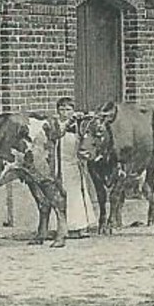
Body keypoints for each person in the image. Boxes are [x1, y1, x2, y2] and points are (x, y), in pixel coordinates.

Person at [55, 97, 98, 238]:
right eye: (62, 109)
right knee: (61, 194)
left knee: (77, 194)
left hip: (73, 163)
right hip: (59, 164)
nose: (65, 112)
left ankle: (80, 226)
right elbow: (57, 135)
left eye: (68, 110)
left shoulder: (77, 126)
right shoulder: (56, 125)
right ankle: (64, 227)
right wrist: (68, 122)